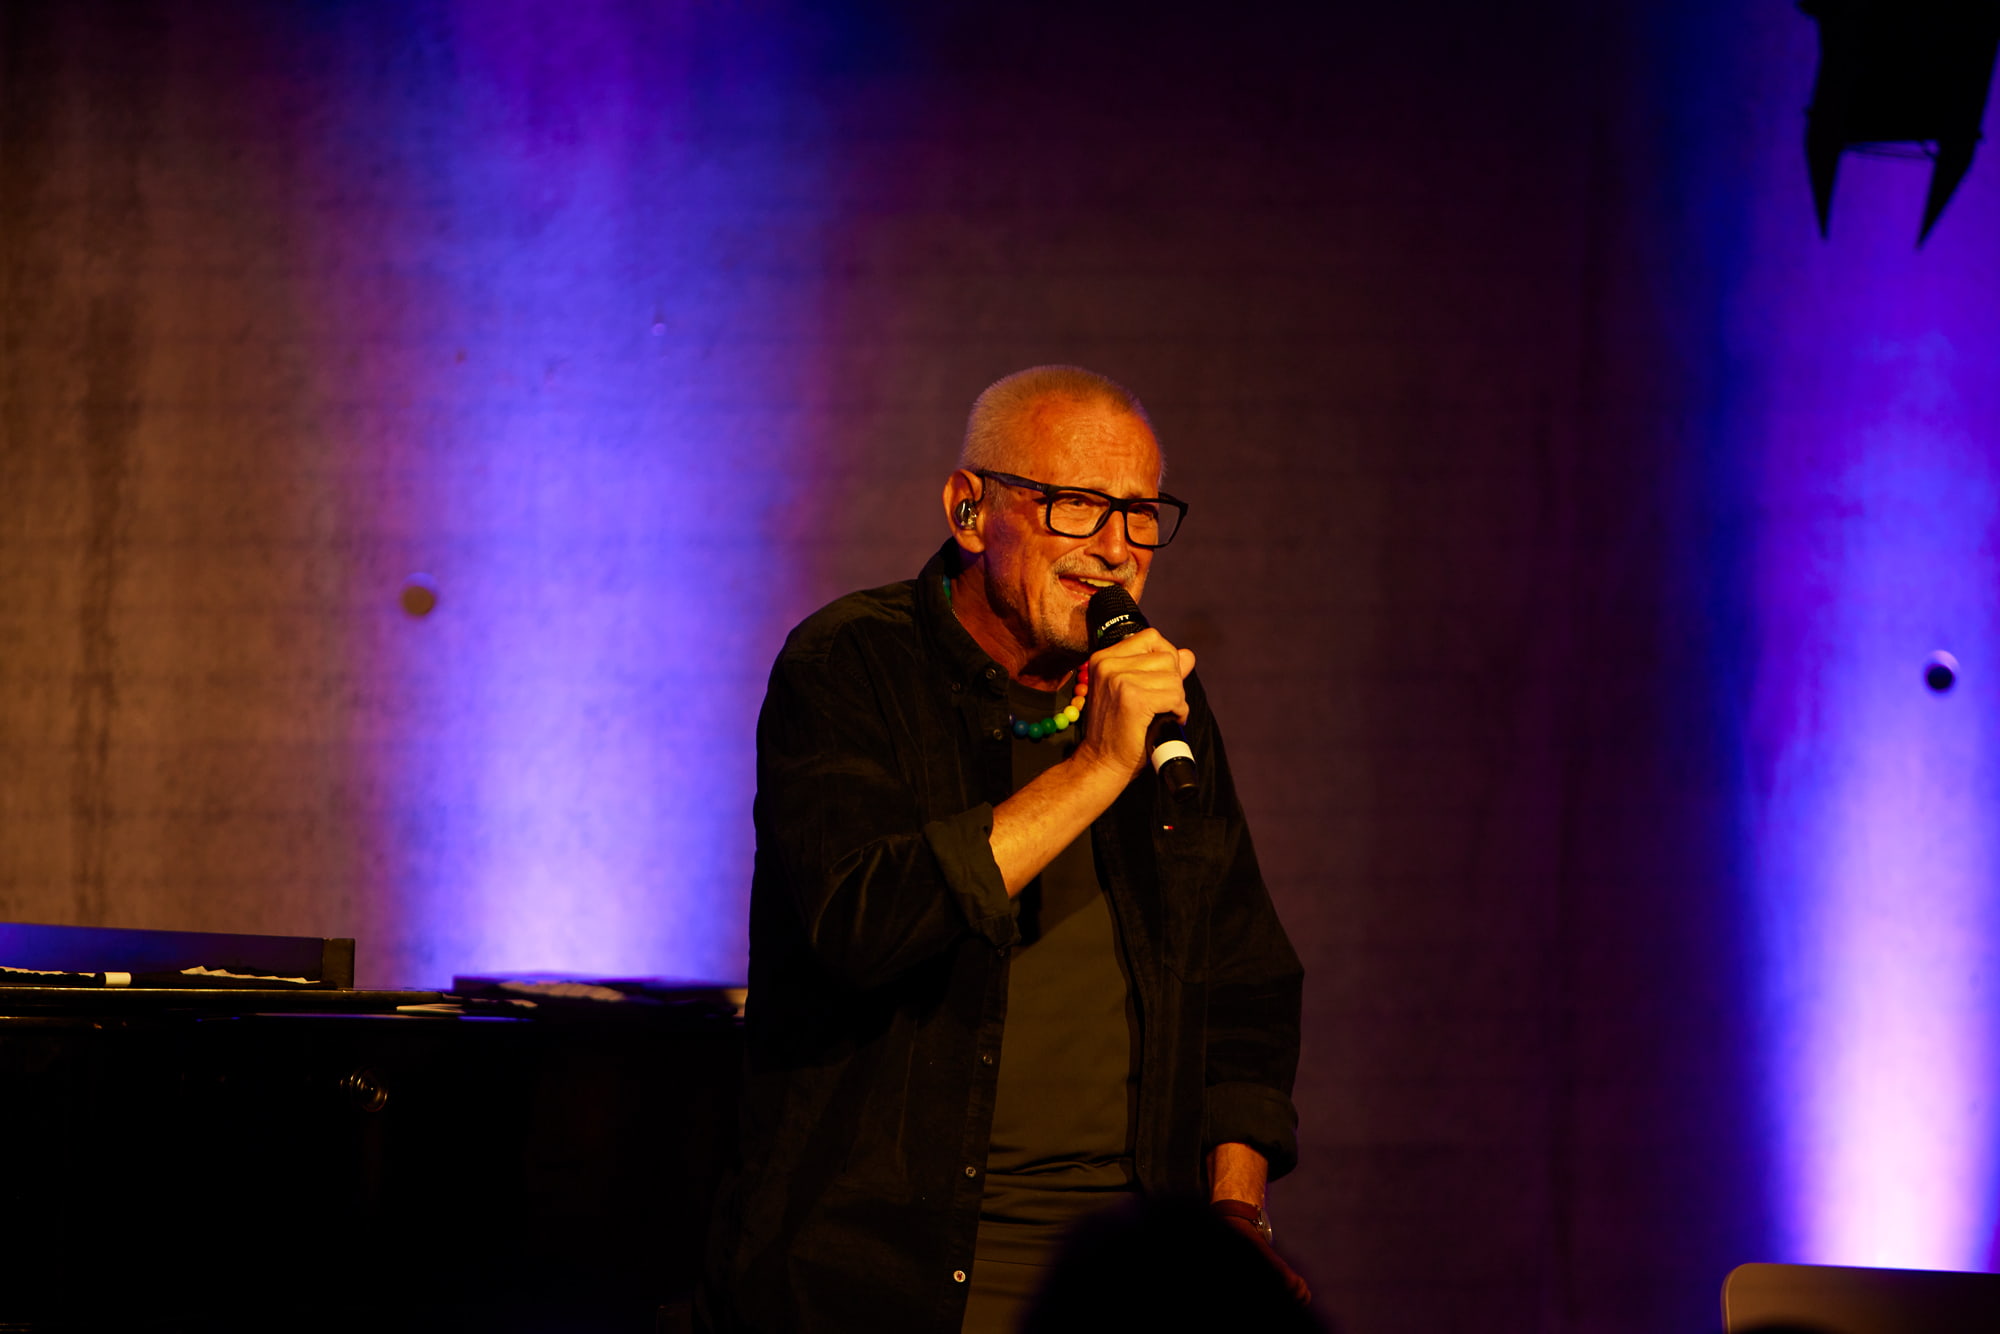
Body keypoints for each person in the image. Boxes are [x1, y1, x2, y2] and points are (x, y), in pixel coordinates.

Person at [701, 366, 1305, 1332]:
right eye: (1078, 505)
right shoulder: (851, 664)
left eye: (1140, 513)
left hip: (1122, 1276)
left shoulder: (1159, 700)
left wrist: (1235, 1211)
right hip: (884, 1278)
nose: (1117, 549)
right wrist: (1096, 766)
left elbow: (1245, 985)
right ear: (970, 510)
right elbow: (862, 924)